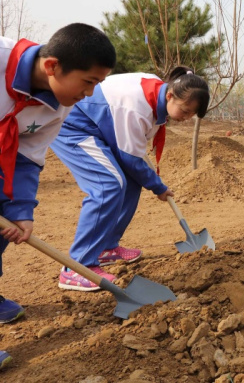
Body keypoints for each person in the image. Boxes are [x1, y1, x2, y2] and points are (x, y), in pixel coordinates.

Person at [0, 23, 115, 370]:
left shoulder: (59, 104)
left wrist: (21, 210)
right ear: (52, 66)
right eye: (88, 82)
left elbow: (28, 155)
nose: (91, 94)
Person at [50, 67, 209, 291]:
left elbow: (132, 156)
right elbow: (130, 159)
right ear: (170, 95)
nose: (186, 118)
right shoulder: (137, 107)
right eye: (185, 111)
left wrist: (149, 180)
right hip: (73, 125)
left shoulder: (157, 94)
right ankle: (78, 266)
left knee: (132, 181)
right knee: (108, 185)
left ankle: (106, 247)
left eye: (191, 115)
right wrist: (158, 186)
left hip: (100, 129)